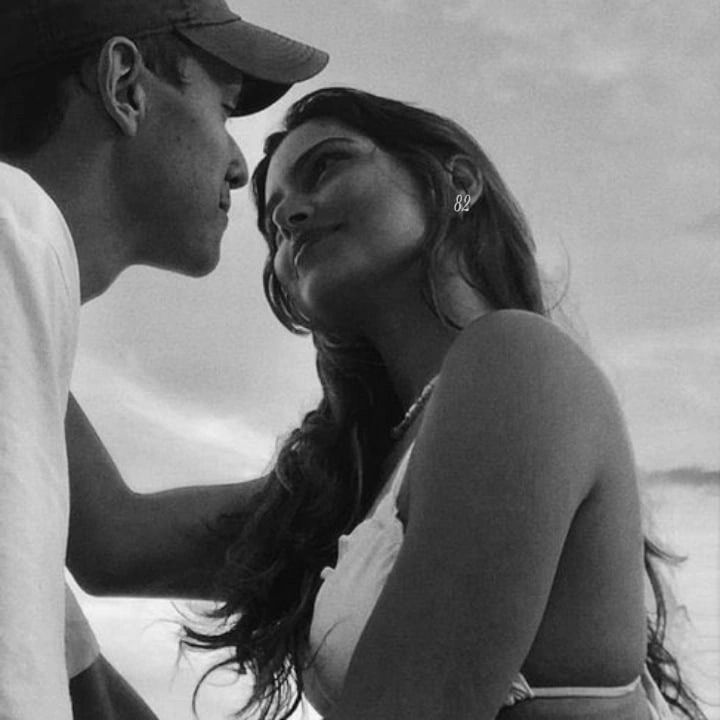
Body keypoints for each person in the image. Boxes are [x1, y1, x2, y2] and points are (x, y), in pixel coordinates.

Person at [64, 89, 707, 720]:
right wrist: (18, 289)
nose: (289, 218)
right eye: (272, 220)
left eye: (327, 167)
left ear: (456, 183)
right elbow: (112, 542)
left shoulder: (519, 363)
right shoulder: (351, 479)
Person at [0, 0, 327, 717]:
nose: (242, 166)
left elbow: (110, 546)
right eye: (226, 108)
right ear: (125, 86)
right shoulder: (11, 234)